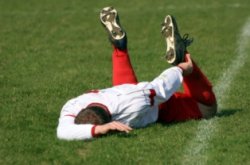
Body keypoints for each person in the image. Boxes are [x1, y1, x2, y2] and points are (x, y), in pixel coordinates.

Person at [57, 7, 217, 141]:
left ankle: (182, 54)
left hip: (152, 104)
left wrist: (182, 68)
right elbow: (62, 132)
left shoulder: (133, 104)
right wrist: (98, 129)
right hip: (123, 93)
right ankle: (119, 47)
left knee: (208, 109)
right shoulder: (73, 105)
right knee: (128, 91)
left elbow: (160, 87)